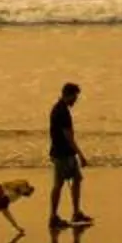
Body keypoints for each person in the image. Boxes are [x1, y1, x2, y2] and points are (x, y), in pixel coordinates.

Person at [47, 81, 92, 226]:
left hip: (64, 153)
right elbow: (68, 136)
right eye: (75, 97)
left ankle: (76, 212)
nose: (75, 100)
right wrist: (81, 155)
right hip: (62, 154)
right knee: (58, 184)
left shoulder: (60, 109)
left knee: (76, 180)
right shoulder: (61, 112)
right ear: (68, 95)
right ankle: (53, 217)